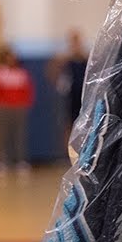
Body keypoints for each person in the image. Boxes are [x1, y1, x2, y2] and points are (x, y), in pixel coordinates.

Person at [0, 44, 35, 175]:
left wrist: (25, 104)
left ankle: (21, 160)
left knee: (20, 135)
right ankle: (1, 161)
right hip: (2, 108)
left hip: (19, 108)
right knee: (2, 135)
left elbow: (27, 90)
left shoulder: (21, 73)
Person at [45, 28, 90, 156]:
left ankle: (84, 151)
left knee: (85, 123)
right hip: (70, 96)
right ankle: (68, 154)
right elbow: (51, 70)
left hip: (84, 95)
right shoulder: (65, 58)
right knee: (69, 125)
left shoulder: (85, 57)